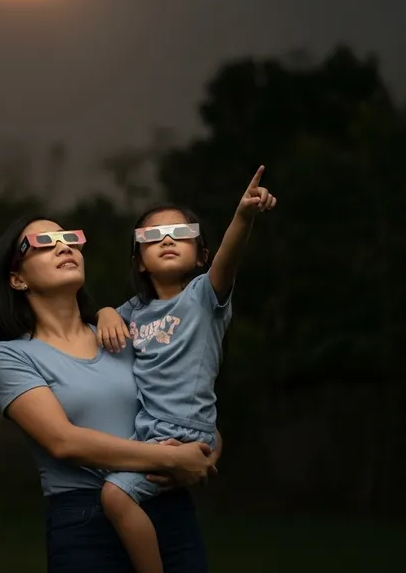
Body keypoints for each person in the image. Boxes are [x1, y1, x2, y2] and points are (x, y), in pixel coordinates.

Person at [0, 216, 220, 573]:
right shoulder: (11, 356)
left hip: (166, 504)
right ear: (17, 279)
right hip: (85, 520)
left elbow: (185, 405)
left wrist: (206, 452)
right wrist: (168, 459)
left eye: (69, 239)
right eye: (43, 242)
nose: (64, 246)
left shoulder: (125, 336)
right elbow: (64, 442)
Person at [95, 167, 276, 572]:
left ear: (203, 255)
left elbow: (230, 258)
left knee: (114, 496)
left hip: (182, 430)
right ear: (139, 261)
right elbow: (96, 325)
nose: (167, 241)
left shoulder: (203, 298)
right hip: (148, 433)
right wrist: (106, 311)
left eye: (181, 233)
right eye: (152, 237)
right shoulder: (134, 311)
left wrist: (243, 216)